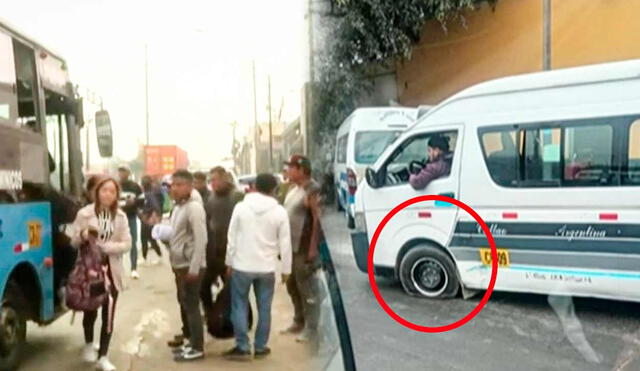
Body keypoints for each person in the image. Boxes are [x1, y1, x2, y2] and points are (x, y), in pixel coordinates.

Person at [224, 173, 292, 361]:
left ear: (254, 186)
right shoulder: (279, 212)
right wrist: (286, 269)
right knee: (264, 308)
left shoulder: (241, 208)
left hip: (242, 266)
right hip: (267, 268)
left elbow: (232, 237)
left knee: (239, 305)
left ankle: (243, 347)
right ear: (273, 189)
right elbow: (285, 243)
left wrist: (229, 261)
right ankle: (261, 347)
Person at [69, 177, 131, 371]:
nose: (108, 195)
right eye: (104, 190)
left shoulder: (120, 217)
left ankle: (103, 355)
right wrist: (83, 236)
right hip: (90, 272)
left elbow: (126, 243)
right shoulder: (84, 214)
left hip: (111, 271)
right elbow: (72, 241)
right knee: (90, 309)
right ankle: (89, 343)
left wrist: (106, 247)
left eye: (112, 191)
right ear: (97, 192)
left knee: (109, 312)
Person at [281, 155, 322, 343]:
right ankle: (299, 320)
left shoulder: (311, 190)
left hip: (303, 247)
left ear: (302, 170)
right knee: (292, 285)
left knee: (307, 288)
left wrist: (313, 247)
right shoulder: (293, 189)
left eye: (291, 168)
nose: (287, 171)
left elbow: (317, 219)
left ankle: (311, 328)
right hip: (290, 247)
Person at [168, 170, 207, 362]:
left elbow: (201, 239)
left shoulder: (194, 208)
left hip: (190, 266)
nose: (174, 188)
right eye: (173, 184)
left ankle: (197, 347)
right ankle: (191, 342)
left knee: (192, 306)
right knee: (186, 304)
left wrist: (194, 267)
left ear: (190, 187)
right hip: (179, 264)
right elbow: (178, 235)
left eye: (179, 185)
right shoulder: (178, 208)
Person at [201, 166, 244, 313]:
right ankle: (211, 313)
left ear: (224, 178)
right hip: (214, 252)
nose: (213, 183)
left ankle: (241, 317)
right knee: (204, 286)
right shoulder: (211, 198)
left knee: (233, 288)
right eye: (211, 180)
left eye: (215, 180)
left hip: (232, 252)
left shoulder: (237, 197)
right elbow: (207, 221)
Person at [117, 166, 143, 279]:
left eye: (124, 171)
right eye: (120, 171)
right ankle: (118, 269)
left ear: (128, 173)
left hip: (131, 217)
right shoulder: (115, 185)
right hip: (117, 218)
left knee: (132, 242)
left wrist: (134, 201)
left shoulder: (135, 186)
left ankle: (134, 268)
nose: (122, 173)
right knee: (118, 244)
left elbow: (142, 200)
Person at [139, 176, 163, 265]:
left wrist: (146, 213)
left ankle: (147, 257)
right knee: (149, 238)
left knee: (146, 238)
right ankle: (157, 256)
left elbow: (155, 206)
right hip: (147, 219)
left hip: (147, 219)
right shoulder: (151, 193)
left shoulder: (148, 194)